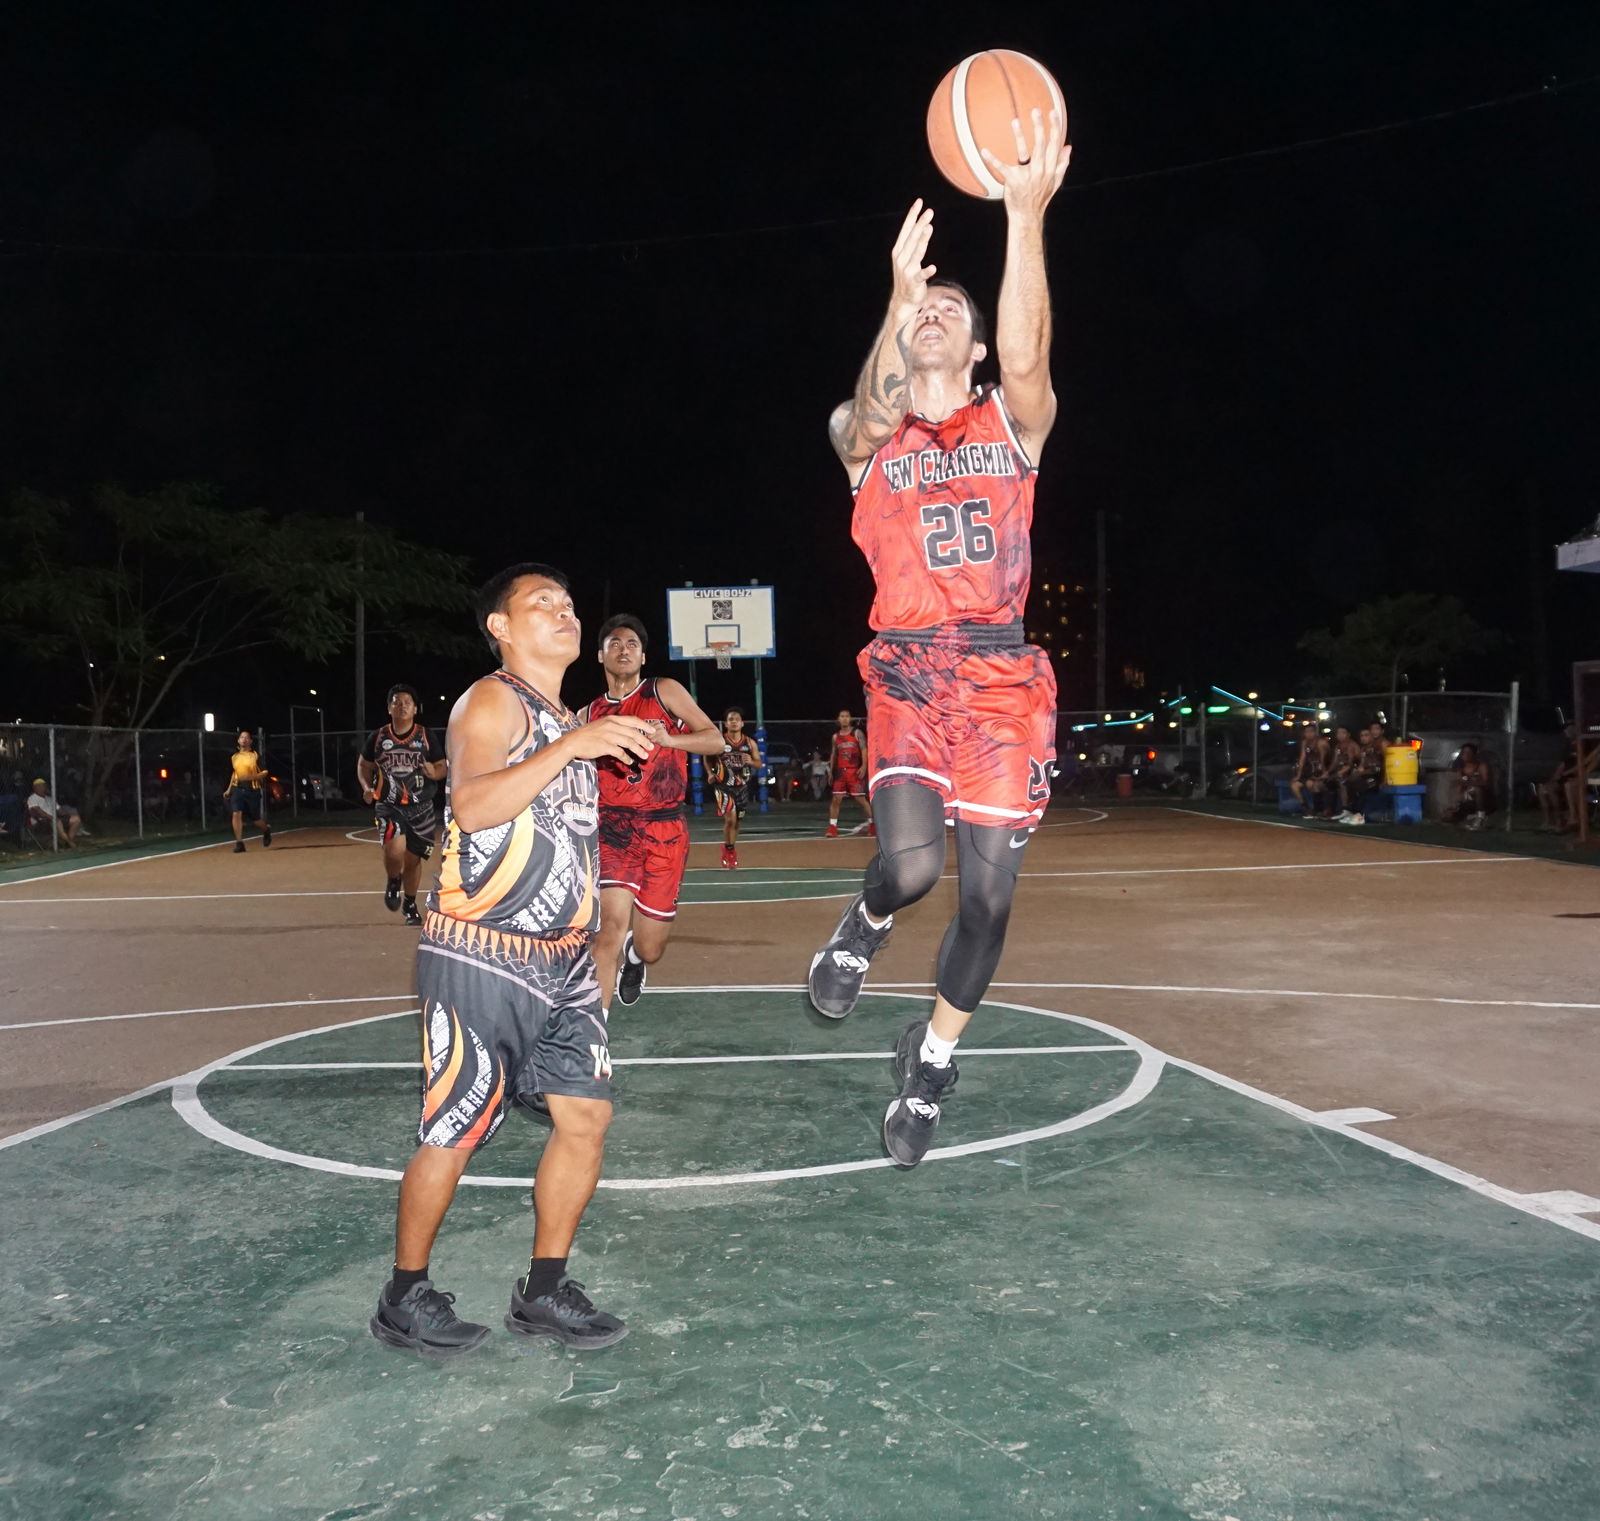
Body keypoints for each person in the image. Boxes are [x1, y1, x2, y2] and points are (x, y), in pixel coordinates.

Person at [806, 112, 1069, 1167]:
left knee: (991, 897)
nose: (934, 319)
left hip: (1001, 668)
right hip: (910, 667)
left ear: (969, 348)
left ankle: (933, 1058)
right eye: (926, 311)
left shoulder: (1013, 422)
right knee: (913, 871)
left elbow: (1028, 348)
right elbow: (863, 418)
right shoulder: (863, 439)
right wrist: (894, 297)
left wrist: (1021, 215)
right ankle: (866, 923)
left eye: (947, 313)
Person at [369, 563, 657, 1358]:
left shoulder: (567, 719)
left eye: (569, 603)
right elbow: (471, 802)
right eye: (543, 604)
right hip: (481, 954)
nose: (565, 613)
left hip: (562, 963)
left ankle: (542, 1289)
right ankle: (404, 1294)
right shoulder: (490, 700)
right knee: (455, 1129)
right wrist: (577, 744)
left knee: (587, 1116)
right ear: (500, 626)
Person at [582, 614, 723, 1013]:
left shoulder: (664, 692)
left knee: (650, 946)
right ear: (599, 655)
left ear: (643, 656)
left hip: (665, 829)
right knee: (607, 929)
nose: (623, 649)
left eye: (631, 644)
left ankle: (638, 957)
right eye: (614, 643)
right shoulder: (588, 715)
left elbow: (714, 741)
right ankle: (595, 1041)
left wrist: (669, 738)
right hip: (613, 828)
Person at [357, 684, 447, 927]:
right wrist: (366, 787)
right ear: (389, 708)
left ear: (415, 708)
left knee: (413, 859)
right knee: (394, 850)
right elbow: (363, 765)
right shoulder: (378, 737)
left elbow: (442, 767)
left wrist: (434, 772)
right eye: (396, 702)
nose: (402, 705)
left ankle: (409, 903)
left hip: (421, 807)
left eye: (407, 702)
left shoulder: (426, 736)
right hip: (389, 804)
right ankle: (393, 879)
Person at [708, 707, 762, 869]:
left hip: (742, 786)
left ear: (742, 723)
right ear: (726, 723)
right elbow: (707, 758)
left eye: (736, 719)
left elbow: (759, 764)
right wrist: (710, 773)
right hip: (723, 785)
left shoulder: (749, 743)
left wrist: (751, 761)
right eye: (730, 719)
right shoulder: (720, 742)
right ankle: (729, 851)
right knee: (730, 818)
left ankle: (729, 846)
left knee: (737, 822)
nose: (734, 722)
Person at [825, 708, 875, 837]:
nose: (844, 718)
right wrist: (831, 771)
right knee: (836, 799)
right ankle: (832, 828)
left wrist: (864, 766)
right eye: (842, 716)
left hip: (854, 771)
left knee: (861, 799)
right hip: (840, 772)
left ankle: (872, 825)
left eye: (847, 716)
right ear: (838, 719)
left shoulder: (857, 733)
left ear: (850, 718)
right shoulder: (835, 737)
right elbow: (834, 754)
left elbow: (864, 750)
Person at [224, 730, 271, 852]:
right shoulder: (234, 757)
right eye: (241, 737)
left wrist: (252, 777)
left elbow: (265, 772)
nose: (244, 739)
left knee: (256, 819)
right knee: (236, 813)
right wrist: (229, 789)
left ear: (250, 741)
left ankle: (266, 831)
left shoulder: (255, 755)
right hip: (237, 789)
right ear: (238, 741)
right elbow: (234, 774)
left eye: (246, 738)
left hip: (252, 790)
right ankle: (239, 843)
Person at [1538, 725, 1580, 832]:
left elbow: (1580, 764)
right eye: (1566, 729)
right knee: (1542, 789)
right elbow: (1561, 763)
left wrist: (1564, 774)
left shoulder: (1580, 745)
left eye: (1570, 729)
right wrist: (1555, 775)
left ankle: (1558, 821)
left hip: (1573, 774)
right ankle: (1548, 820)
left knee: (1551, 790)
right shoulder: (1566, 746)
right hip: (1563, 774)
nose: (1566, 731)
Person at [1444, 742, 1494, 829]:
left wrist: (1469, 783)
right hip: (1466, 798)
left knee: (1478, 789)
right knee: (1448, 817)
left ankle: (1480, 816)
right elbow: (1459, 784)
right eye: (1464, 753)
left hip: (1483, 798)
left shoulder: (1481, 766)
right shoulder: (1461, 768)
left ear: (1474, 754)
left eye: (1469, 753)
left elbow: (1486, 783)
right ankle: (1470, 816)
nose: (1466, 755)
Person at [26, 779, 84, 847]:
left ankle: (68, 842)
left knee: (76, 819)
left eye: (43, 786)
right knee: (57, 822)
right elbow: (39, 812)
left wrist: (68, 815)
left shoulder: (50, 798)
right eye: (39, 786)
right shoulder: (32, 798)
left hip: (54, 818)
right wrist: (52, 818)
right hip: (41, 821)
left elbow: (60, 811)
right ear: (35, 788)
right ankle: (71, 843)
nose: (42, 788)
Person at [1289, 722, 1329, 817]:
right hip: (1309, 772)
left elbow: (1324, 760)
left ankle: (1318, 808)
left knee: (1311, 784)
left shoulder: (1321, 743)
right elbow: (1302, 759)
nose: (1309, 734)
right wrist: (1298, 775)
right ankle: (1306, 808)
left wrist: (1324, 773)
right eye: (1306, 732)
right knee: (1294, 785)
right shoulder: (1304, 743)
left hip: (1320, 772)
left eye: (1311, 731)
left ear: (1315, 732)